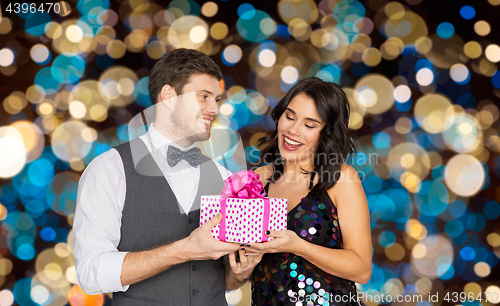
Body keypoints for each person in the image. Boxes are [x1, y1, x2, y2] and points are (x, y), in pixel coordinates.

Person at [73, 48, 261, 306]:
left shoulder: (225, 177)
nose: (214, 108)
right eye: (204, 96)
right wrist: (184, 250)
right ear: (168, 96)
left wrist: (240, 272)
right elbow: (90, 273)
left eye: (216, 99)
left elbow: (221, 281)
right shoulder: (109, 169)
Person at [244, 77, 372, 305]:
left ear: (327, 132)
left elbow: (361, 269)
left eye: (309, 125)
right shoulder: (258, 179)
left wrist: (297, 246)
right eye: (290, 116)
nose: (293, 130)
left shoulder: (341, 178)